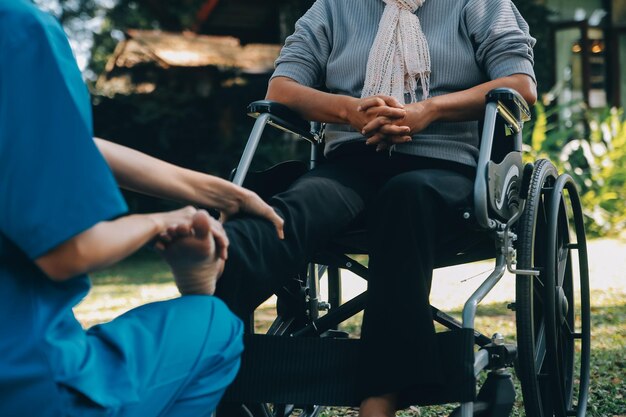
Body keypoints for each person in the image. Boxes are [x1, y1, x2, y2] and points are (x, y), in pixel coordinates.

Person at [214, 0, 537, 416]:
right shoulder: (334, 7)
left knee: (405, 197)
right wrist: (349, 110)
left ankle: (379, 397)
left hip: (447, 168)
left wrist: (428, 110)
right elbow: (282, 89)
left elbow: (520, 86)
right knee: (292, 208)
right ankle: (215, 361)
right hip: (351, 161)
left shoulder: (478, 4)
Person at [0, 1, 283, 416]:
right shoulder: (16, 28)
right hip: (27, 381)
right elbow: (70, 251)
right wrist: (161, 222)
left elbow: (52, 146)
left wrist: (221, 193)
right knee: (214, 326)